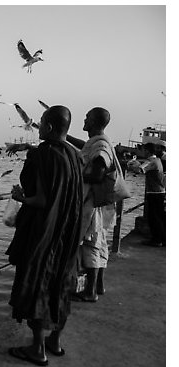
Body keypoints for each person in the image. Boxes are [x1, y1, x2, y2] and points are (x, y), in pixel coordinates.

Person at [6, 105, 83, 366]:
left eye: (40, 122)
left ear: (49, 127)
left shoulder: (43, 154)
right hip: (68, 231)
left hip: (44, 231)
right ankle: (55, 342)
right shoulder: (74, 155)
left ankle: (37, 349)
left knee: (38, 281)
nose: (37, 126)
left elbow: (40, 200)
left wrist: (19, 197)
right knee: (61, 280)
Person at [66, 107, 118, 303]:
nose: (84, 120)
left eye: (87, 118)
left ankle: (90, 291)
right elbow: (84, 146)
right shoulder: (97, 143)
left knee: (92, 245)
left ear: (95, 122)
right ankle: (98, 285)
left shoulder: (101, 147)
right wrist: (65, 138)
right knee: (99, 242)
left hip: (93, 204)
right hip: (96, 203)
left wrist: (73, 175)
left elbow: (96, 174)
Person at [134, 142, 166, 246]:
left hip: (153, 192)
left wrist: (131, 164)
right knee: (160, 216)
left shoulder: (150, 161)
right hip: (160, 191)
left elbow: (140, 170)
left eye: (143, 150)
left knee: (154, 217)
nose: (142, 152)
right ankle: (162, 239)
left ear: (147, 151)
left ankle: (156, 240)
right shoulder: (158, 160)